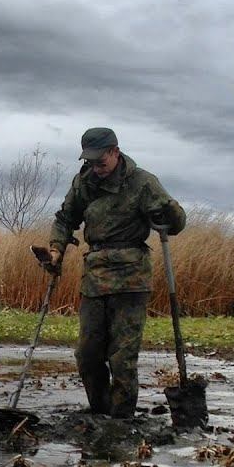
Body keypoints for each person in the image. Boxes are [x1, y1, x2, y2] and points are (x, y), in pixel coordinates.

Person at [47, 127, 186, 419]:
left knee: (122, 357)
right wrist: (56, 249)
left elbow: (175, 224)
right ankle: (100, 412)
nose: (96, 168)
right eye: (90, 161)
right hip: (95, 276)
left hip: (131, 277)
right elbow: (65, 218)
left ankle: (121, 420)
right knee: (87, 354)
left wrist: (169, 214)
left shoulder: (143, 182)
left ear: (115, 152)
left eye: (101, 161)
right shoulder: (83, 183)